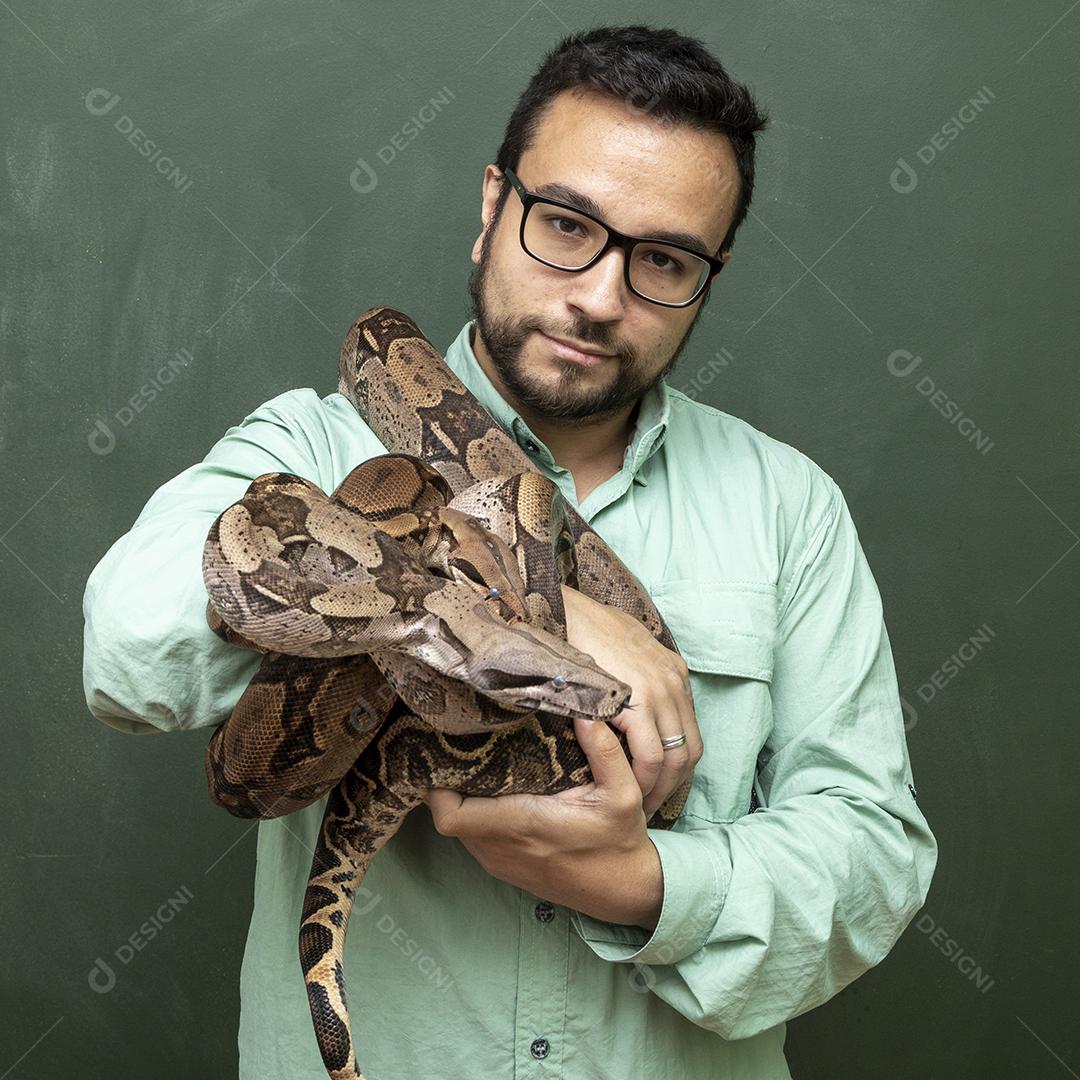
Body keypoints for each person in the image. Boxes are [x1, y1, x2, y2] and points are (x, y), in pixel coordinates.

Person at [81, 24, 938, 1080]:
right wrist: (530, 611)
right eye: (568, 225)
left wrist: (641, 885)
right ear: (493, 209)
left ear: (708, 280)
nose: (599, 295)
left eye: (663, 258)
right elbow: (125, 655)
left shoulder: (789, 505)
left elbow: (874, 858)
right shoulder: (311, 449)